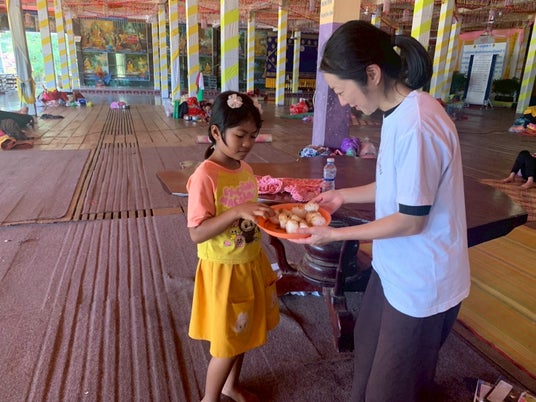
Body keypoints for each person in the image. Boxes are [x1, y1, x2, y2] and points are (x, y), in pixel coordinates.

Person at [290, 21, 470, 401]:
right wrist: (341, 197)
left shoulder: (418, 124)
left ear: (371, 74)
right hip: (393, 268)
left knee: (390, 391)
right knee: (366, 365)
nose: (342, 103)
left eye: (342, 91)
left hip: (422, 282)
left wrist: (335, 234)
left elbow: (411, 219)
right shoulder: (396, 114)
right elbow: (395, 187)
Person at [186, 91, 279, 402]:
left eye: (253, 135)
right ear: (216, 132)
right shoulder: (205, 176)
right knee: (227, 344)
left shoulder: (244, 169)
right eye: (240, 135)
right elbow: (197, 233)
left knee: (244, 333)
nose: (247, 144)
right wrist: (238, 211)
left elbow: (247, 211)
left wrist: (267, 215)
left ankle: (231, 386)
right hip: (224, 271)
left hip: (249, 262)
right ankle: (209, 399)